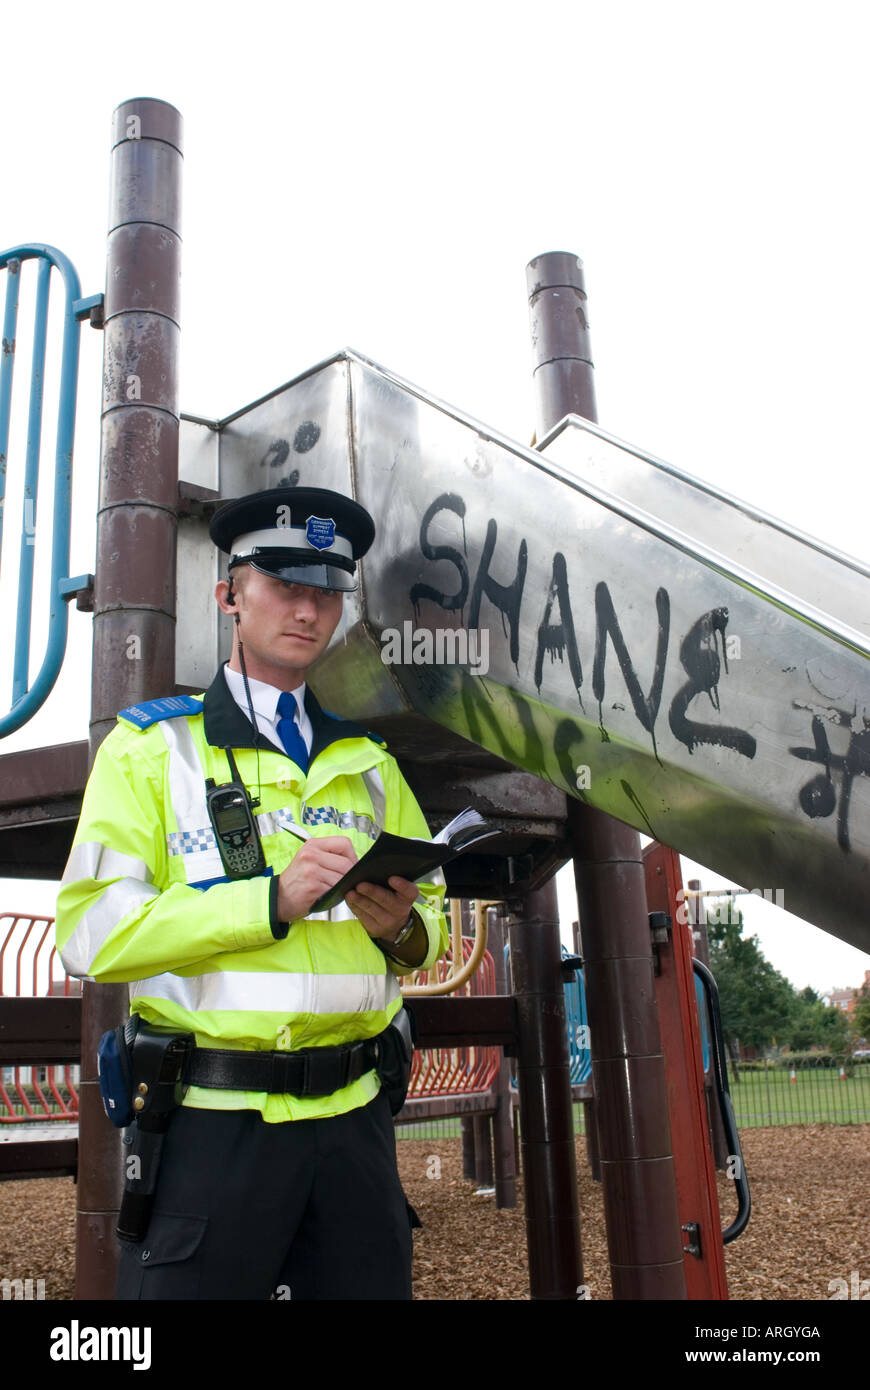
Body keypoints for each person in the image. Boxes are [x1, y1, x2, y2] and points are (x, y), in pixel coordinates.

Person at [55, 485, 448, 1300]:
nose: (308, 610)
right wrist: (265, 903)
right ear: (230, 595)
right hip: (212, 1125)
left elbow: (434, 926)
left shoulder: (373, 764)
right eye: (285, 586)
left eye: (326, 593)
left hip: (356, 1130)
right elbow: (89, 932)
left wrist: (405, 931)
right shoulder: (150, 751)